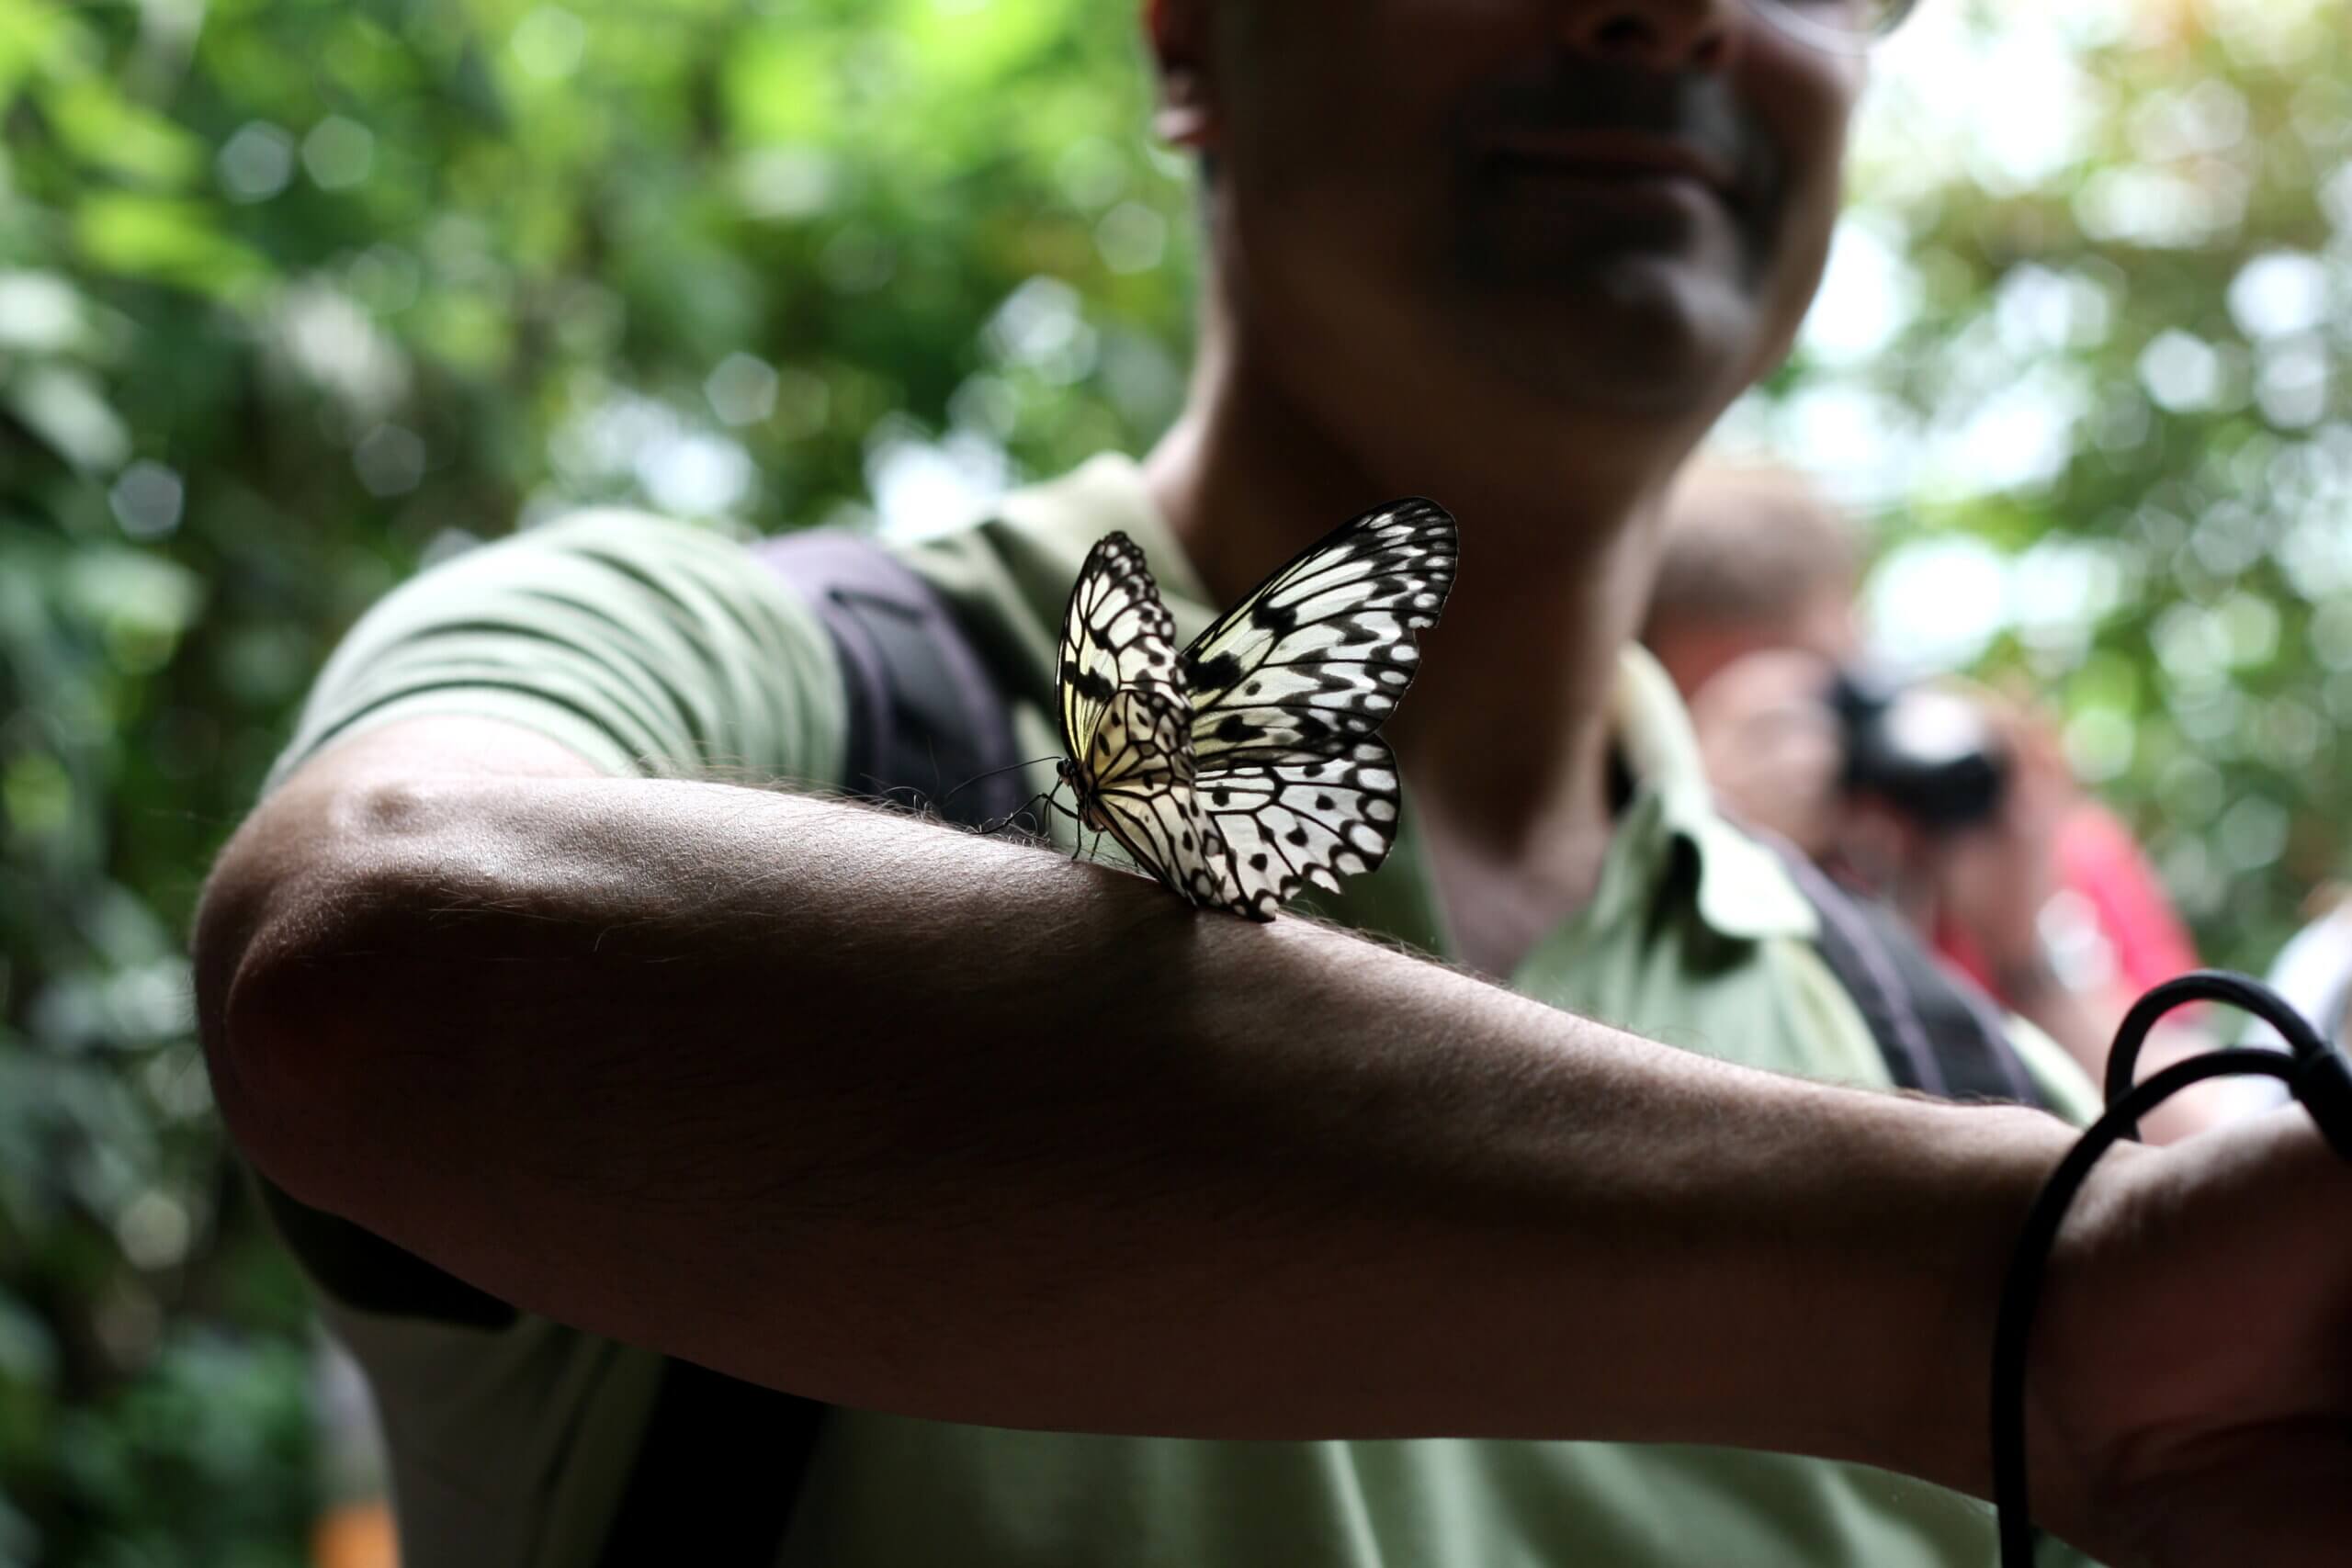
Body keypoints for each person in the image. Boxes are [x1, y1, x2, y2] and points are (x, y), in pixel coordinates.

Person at [191, 3, 2352, 1566]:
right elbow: (374, 956)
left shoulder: (1948, 1063)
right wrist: (1994, 1305)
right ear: (1182, 37)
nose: (1666, 11)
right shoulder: (739, 688)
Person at [1643, 461, 2239, 1141]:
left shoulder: (2015, 836)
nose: (1804, 749)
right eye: (1748, 725)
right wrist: (1713, 850)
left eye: (1823, 696)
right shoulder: (1631, 886)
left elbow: (2212, 1152)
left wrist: (2026, 953)